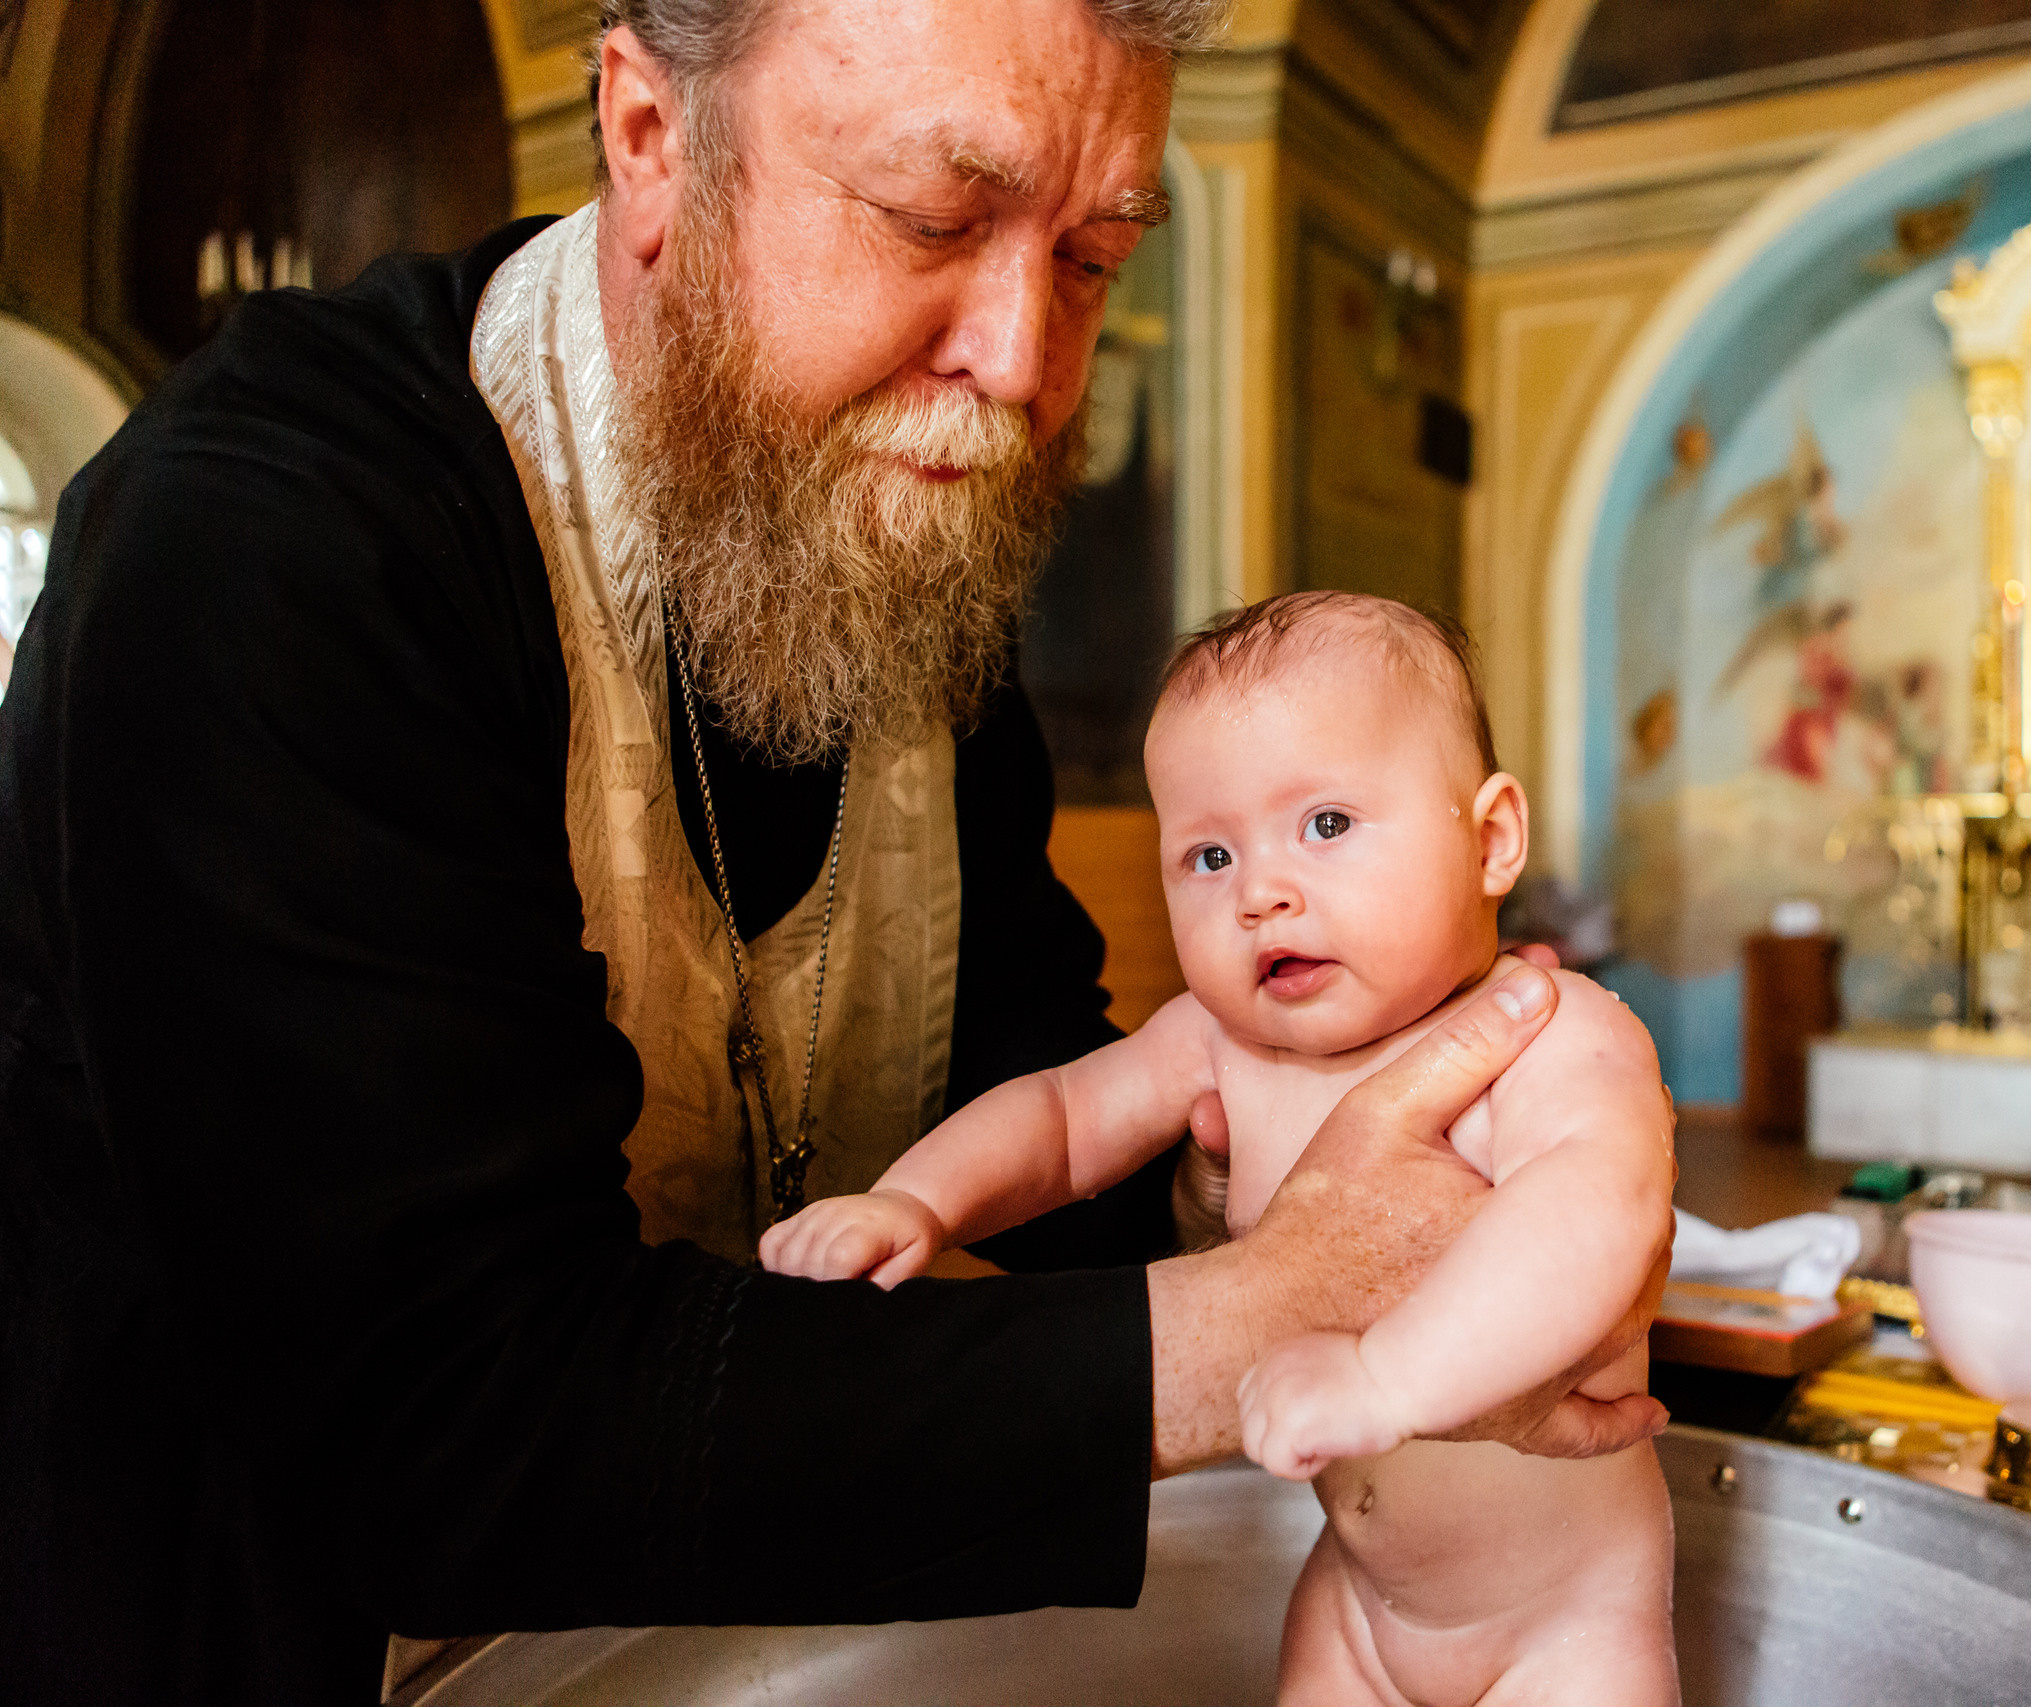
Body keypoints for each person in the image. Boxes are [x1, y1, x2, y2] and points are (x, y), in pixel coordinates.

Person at [0, 3, 1666, 1702]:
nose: (1022, 363)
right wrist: (1278, 1319)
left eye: (1095, 258)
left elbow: (1048, 1156)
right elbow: (437, 1417)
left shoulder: (892, 566)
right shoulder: (268, 539)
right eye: (935, 221)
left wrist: (1348, 1168)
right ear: (651, 135)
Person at [765, 592, 1680, 1704]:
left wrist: (1387, 1378)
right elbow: (1060, 1118)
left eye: (1327, 825)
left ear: (1489, 839)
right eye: (1206, 854)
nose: (1261, 892)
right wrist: (918, 1204)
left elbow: (1590, 1213)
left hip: (1563, 1622)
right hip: (1361, 1604)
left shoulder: (1546, 1029)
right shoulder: (1222, 1042)